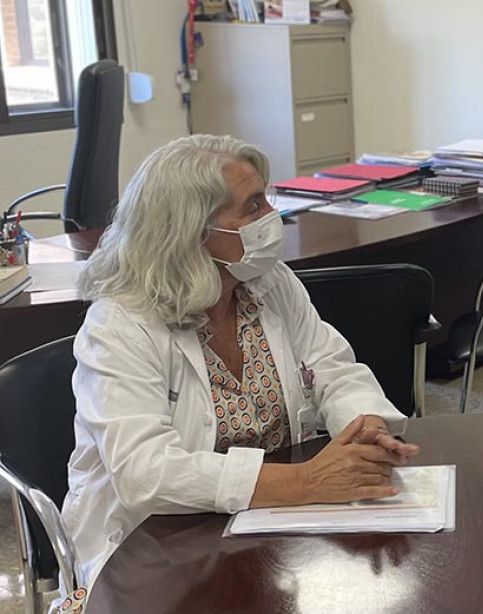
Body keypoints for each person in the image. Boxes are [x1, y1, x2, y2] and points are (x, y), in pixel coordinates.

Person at [64, 135, 419, 583]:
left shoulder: (268, 281)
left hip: (266, 531)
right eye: (253, 207)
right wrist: (306, 482)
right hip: (155, 550)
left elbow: (331, 367)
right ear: (194, 231)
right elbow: (145, 473)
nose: (274, 217)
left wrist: (364, 426)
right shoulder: (119, 324)